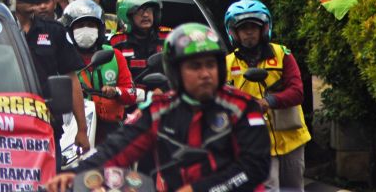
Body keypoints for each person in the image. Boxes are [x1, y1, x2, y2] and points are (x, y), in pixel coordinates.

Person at [45, 23, 270, 192]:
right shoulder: (158, 109)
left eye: (211, 65)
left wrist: (198, 190)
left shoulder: (243, 107)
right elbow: (116, 148)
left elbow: (255, 167)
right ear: (175, 71)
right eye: (195, 66)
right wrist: (73, 174)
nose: (205, 73)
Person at [224, 0, 310, 191]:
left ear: (264, 28)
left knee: (295, 188)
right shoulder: (227, 65)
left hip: (292, 139)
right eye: (243, 27)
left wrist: (268, 101)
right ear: (234, 32)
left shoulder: (282, 54)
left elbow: (297, 92)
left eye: (253, 27)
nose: (248, 32)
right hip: (256, 144)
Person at [11, 0, 88, 157]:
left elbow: (71, 81)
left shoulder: (54, 32)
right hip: (5, 127)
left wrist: (82, 130)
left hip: (46, 127)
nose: (35, 1)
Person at [60, 0, 135, 145]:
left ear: (100, 29)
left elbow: (131, 94)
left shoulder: (114, 56)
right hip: (72, 131)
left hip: (110, 131)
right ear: (70, 30)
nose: (86, 29)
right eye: (80, 25)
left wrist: (116, 91)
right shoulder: (62, 59)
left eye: (91, 25)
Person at [110, 0, 171, 82]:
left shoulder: (168, 37)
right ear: (127, 16)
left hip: (165, 93)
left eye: (149, 10)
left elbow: (181, 71)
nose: (146, 15)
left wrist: (163, 89)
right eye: (139, 10)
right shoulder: (116, 41)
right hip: (131, 94)